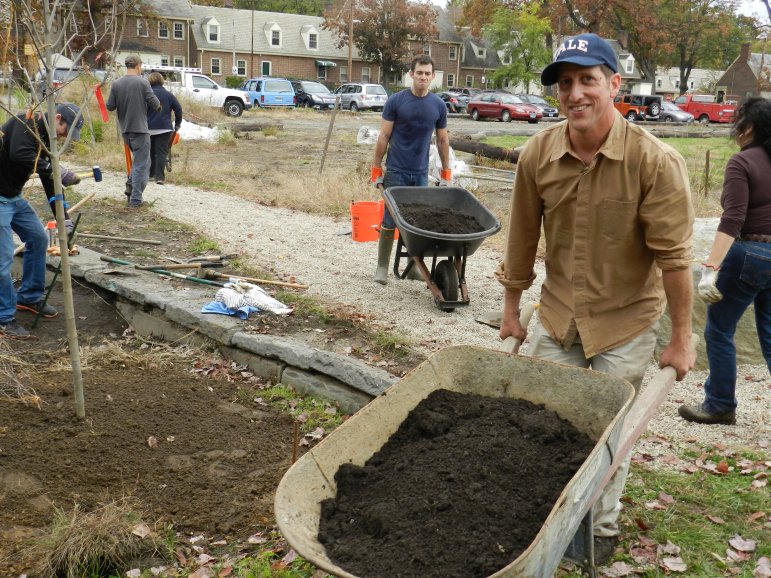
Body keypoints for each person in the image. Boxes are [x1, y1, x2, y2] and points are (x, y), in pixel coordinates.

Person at [495, 33, 696, 564]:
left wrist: (680, 340)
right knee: (539, 418)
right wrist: (512, 311)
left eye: (587, 79)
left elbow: (676, 259)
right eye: (566, 83)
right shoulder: (539, 152)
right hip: (558, 313)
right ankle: (543, 517)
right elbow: (521, 238)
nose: (575, 93)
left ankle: (598, 529)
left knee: (609, 431)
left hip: (624, 321)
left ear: (614, 84)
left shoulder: (654, 162)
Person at [679, 97, 771, 425]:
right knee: (770, 336)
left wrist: (710, 270)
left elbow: (733, 218)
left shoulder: (742, 162)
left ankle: (720, 404)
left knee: (719, 329)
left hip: (750, 254)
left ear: (747, 128)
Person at [0, 103, 83, 339]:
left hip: (12, 196)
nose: (65, 136)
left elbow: (50, 181)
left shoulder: (48, 141)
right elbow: (19, 155)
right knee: (4, 258)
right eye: (65, 130)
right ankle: (4, 317)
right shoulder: (26, 123)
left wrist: (63, 218)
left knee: (37, 237)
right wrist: (55, 167)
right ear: (57, 118)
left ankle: (28, 296)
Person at [370, 54, 451, 285]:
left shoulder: (438, 105)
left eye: (427, 73)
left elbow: (443, 140)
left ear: (433, 77)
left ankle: (412, 267)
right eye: (419, 73)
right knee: (390, 219)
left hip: (420, 172)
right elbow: (383, 135)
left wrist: (446, 172)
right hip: (396, 170)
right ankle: (382, 268)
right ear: (411, 74)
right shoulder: (396, 101)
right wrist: (376, 168)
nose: (423, 77)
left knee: (418, 222)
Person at [106, 54, 161, 208]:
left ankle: (130, 185)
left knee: (142, 162)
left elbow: (110, 106)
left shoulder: (117, 84)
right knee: (141, 164)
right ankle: (136, 199)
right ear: (138, 66)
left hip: (125, 131)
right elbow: (155, 104)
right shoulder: (143, 83)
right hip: (140, 130)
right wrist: (158, 106)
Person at [146, 72, 182, 185]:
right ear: (162, 81)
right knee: (161, 152)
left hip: (148, 128)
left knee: (150, 152)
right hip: (165, 128)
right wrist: (177, 123)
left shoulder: (147, 94)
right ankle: (160, 177)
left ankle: (150, 175)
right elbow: (178, 109)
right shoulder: (168, 95)